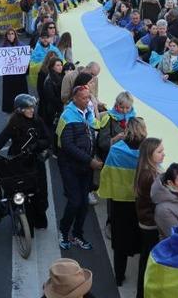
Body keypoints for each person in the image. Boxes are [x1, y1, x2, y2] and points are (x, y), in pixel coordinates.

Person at [0, 94, 51, 230]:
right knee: (19, 191)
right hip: (19, 163)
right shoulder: (14, 123)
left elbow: (47, 139)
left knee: (40, 192)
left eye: (32, 107)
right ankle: (21, 220)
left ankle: (38, 219)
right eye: (28, 108)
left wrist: (37, 145)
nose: (32, 110)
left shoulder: (38, 121)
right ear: (20, 109)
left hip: (35, 162)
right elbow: (1, 140)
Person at [98, 117, 146, 286]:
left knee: (120, 243)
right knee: (142, 242)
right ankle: (142, 280)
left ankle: (119, 276)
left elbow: (106, 174)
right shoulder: (147, 151)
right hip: (140, 204)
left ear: (128, 130)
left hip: (119, 203)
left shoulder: (117, 149)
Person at [56, 86, 102, 251]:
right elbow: (67, 145)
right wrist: (90, 160)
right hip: (70, 166)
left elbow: (94, 131)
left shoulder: (87, 113)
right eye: (83, 98)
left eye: (88, 98)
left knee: (83, 204)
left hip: (85, 167)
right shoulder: (67, 116)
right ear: (74, 98)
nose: (87, 101)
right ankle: (63, 230)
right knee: (75, 201)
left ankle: (77, 234)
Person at [134, 138, 164, 298]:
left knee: (145, 260)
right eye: (159, 151)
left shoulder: (148, 171)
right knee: (148, 264)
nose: (163, 154)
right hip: (151, 226)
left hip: (147, 223)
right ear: (149, 154)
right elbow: (165, 197)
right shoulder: (151, 176)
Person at [0, 28, 30, 113]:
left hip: (20, 76)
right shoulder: (2, 48)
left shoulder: (22, 46)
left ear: (15, 35)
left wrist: (29, 53)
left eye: (12, 33)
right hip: (9, 77)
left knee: (21, 93)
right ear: (6, 36)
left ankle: (23, 108)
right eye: (8, 34)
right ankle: (10, 110)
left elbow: (26, 60)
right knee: (9, 95)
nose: (10, 36)